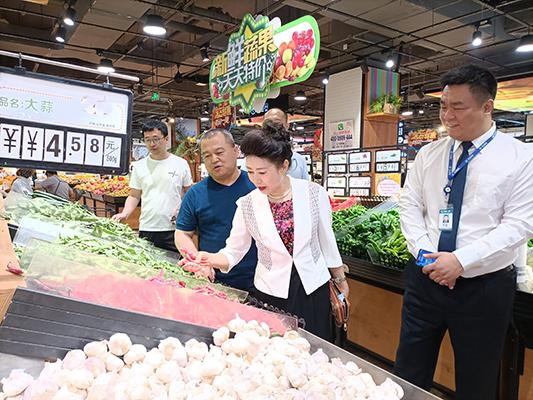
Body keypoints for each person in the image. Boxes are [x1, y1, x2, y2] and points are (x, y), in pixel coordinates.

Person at [395, 64, 533, 400]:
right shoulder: (429, 154)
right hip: (424, 279)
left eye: (458, 107)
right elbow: (409, 206)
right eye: (444, 106)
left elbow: (519, 224)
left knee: (476, 380)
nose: (447, 116)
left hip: (483, 289)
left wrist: (461, 260)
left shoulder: (520, 157)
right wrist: (427, 255)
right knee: (407, 373)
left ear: (487, 107)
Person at [190, 120, 348, 340]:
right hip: (271, 293)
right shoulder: (247, 204)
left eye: (262, 172)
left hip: (313, 289)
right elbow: (233, 251)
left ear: (283, 166)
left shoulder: (314, 193)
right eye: (251, 171)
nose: (255, 179)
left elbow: (327, 242)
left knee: (316, 351)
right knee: (277, 356)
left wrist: (340, 281)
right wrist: (209, 259)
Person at [174, 128, 257, 291]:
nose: (214, 159)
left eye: (219, 152)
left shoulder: (257, 185)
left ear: (236, 151)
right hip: (212, 278)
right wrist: (198, 262)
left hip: (259, 279)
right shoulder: (196, 193)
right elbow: (182, 233)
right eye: (207, 156)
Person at [112, 119, 192, 252]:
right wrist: (125, 213)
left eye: (156, 139)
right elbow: (134, 195)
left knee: (176, 268)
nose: (152, 144)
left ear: (166, 139)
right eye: (147, 140)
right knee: (149, 268)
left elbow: (189, 193)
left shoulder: (180, 163)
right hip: (147, 226)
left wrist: (181, 209)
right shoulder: (139, 166)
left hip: (174, 227)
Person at [241, 108, 310, 180]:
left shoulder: (299, 161)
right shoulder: (250, 161)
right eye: (268, 122)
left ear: (287, 125)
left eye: (277, 122)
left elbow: (306, 186)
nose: (271, 126)